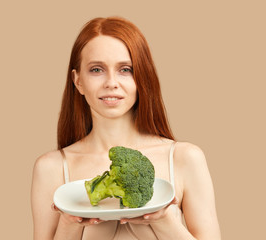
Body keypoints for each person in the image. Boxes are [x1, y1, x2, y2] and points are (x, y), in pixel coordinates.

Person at [31, 17, 221, 240]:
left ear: (143, 77)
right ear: (78, 81)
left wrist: (163, 220)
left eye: (125, 69)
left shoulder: (185, 158)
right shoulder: (51, 168)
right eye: (96, 69)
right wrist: (69, 223)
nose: (111, 82)